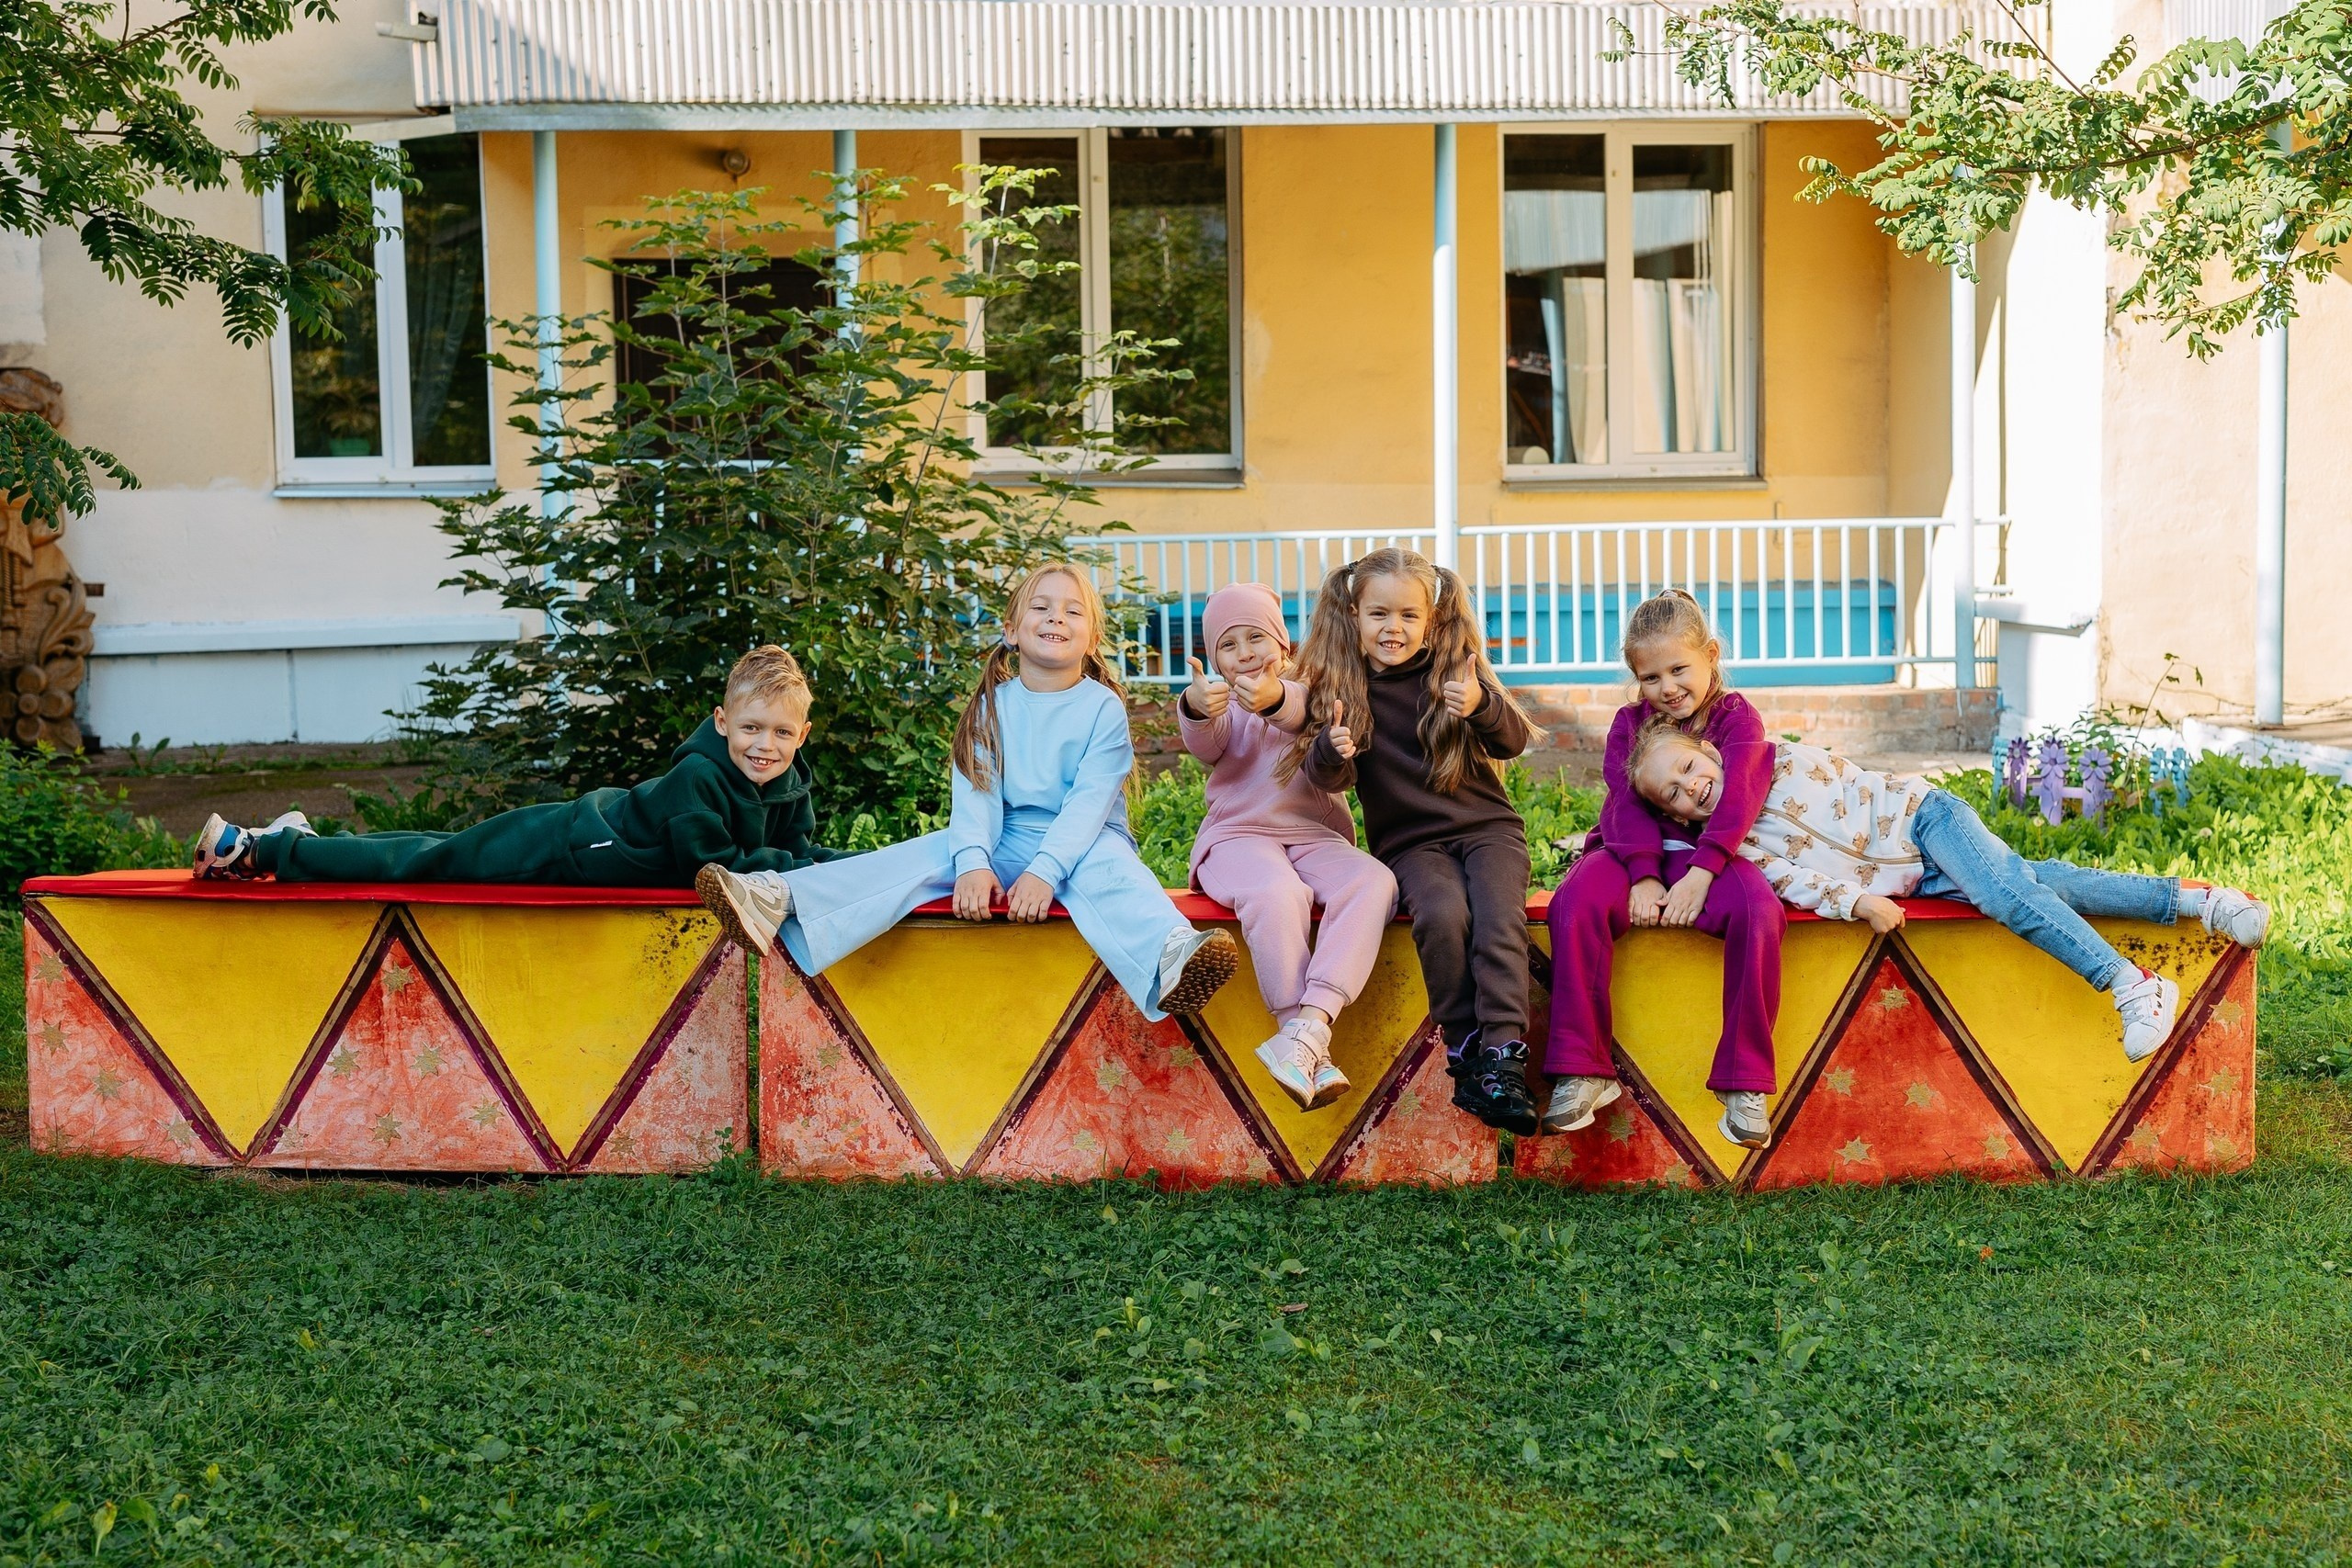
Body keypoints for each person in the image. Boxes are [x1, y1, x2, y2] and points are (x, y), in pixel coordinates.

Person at [699, 562, 1238, 1022]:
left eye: (1074, 612)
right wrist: (975, 861)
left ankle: (1171, 953)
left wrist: (1045, 872)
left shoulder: (1103, 708)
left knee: (1115, 876)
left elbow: (1089, 804)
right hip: (1004, 835)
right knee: (918, 857)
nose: (1057, 617)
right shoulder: (991, 706)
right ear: (1011, 629)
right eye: (1042, 608)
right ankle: (779, 897)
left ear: (1092, 639)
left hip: (1088, 838)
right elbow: (977, 796)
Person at [1627, 722, 2272, 1060]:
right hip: (1917, 875)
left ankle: (2130, 983)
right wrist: (1856, 902)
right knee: (2046, 884)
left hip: (1927, 818)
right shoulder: (1736, 847)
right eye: (1674, 795)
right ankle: (2204, 902)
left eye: (1689, 767)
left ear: (1711, 752)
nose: (1692, 788)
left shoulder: (1775, 757)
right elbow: (1796, 879)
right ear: (1677, 817)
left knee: (2007, 897)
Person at [192, 645, 838, 886]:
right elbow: (721, 869)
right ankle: (258, 851)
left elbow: (795, 855)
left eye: (782, 732)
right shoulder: (701, 777)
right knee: (427, 862)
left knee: (436, 848)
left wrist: (838, 866)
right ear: (722, 722)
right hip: (570, 846)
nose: (765, 745)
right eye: (751, 728)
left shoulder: (789, 782)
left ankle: (299, 840)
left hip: (596, 833)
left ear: (802, 733)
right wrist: (818, 866)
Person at [1286, 547, 1539, 1134]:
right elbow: (1330, 779)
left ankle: (1503, 1056)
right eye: (1379, 614)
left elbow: (1512, 743)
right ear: (1354, 615)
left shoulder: (1454, 675)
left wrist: (1481, 707)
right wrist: (1331, 750)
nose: (1393, 628)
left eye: (1408, 615)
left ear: (1430, 620)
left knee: (1500, 919)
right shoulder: (1344, 688)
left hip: (1488, 831)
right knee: (1442, 915)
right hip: (1409, 845)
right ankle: (1465, 1048)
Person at [1540, 589, 1786, 1150]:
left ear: (1712, 656)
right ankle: (1582, 1069)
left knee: (1760, 912)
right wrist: (1646, 874)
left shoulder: (1735, 717)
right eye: (1651, 677)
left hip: (1715, 855)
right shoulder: (1629, 725)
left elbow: (1741, 793)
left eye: (1679, 669)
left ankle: (1744, 1082)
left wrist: (1703, 871)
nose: (1668, 688)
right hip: (1631, 852)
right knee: (1574, 904)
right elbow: (1625, 805)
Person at [1179, 582, 1397, 1110]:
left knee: (1375, 882)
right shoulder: (1219, 703)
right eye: (1228, 646)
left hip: (1313, 835)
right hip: (1238, 839)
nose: (1244, 653)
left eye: (1256, 637)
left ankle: (1310, 1026)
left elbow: (1302, 713)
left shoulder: (1310, 689)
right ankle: (1295, 1035)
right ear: (1214, 659)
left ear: (1285, 647)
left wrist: (1274, 699)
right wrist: (1194, 705)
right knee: (1278, 894)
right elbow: (1204, 745)